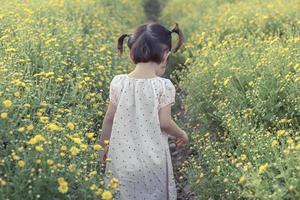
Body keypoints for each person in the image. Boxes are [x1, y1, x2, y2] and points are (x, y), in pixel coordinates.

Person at [98, 22, 189, 200]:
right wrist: (182, 133)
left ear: (131, 54)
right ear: (166, 55)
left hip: (121, 160)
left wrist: (103, 147)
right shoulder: (163, 86)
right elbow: (165, 123)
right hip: (152, 162)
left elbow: (109, 117)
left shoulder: (119, 82)